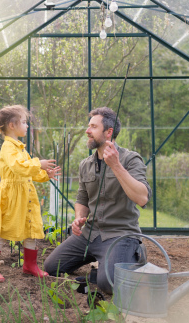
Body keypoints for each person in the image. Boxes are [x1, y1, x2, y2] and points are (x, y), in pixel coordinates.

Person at [44, 107, 151, 294]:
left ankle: (133, 256)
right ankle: (105, 263)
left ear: (108, 132)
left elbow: (142, 198)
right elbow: (82, 199)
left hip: (119, 234)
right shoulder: (86, 164)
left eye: (93, 126)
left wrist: (116, 166)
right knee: (51, 267)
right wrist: (78, 218)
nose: (87, 130)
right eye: (88, 126)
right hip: (90, 234)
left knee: (108, 284)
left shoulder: (130, 159)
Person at [0, 105, 61, 283]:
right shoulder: (8, 147)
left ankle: (30, 265)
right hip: (11, 198)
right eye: (25, 122)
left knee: (30, 229)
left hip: (25, 196)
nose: (27, 126)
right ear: (12, 125)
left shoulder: (20, 148)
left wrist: (44, 174)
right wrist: (38, 163)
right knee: (2, 231)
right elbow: (18, 167)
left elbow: (28, 171)